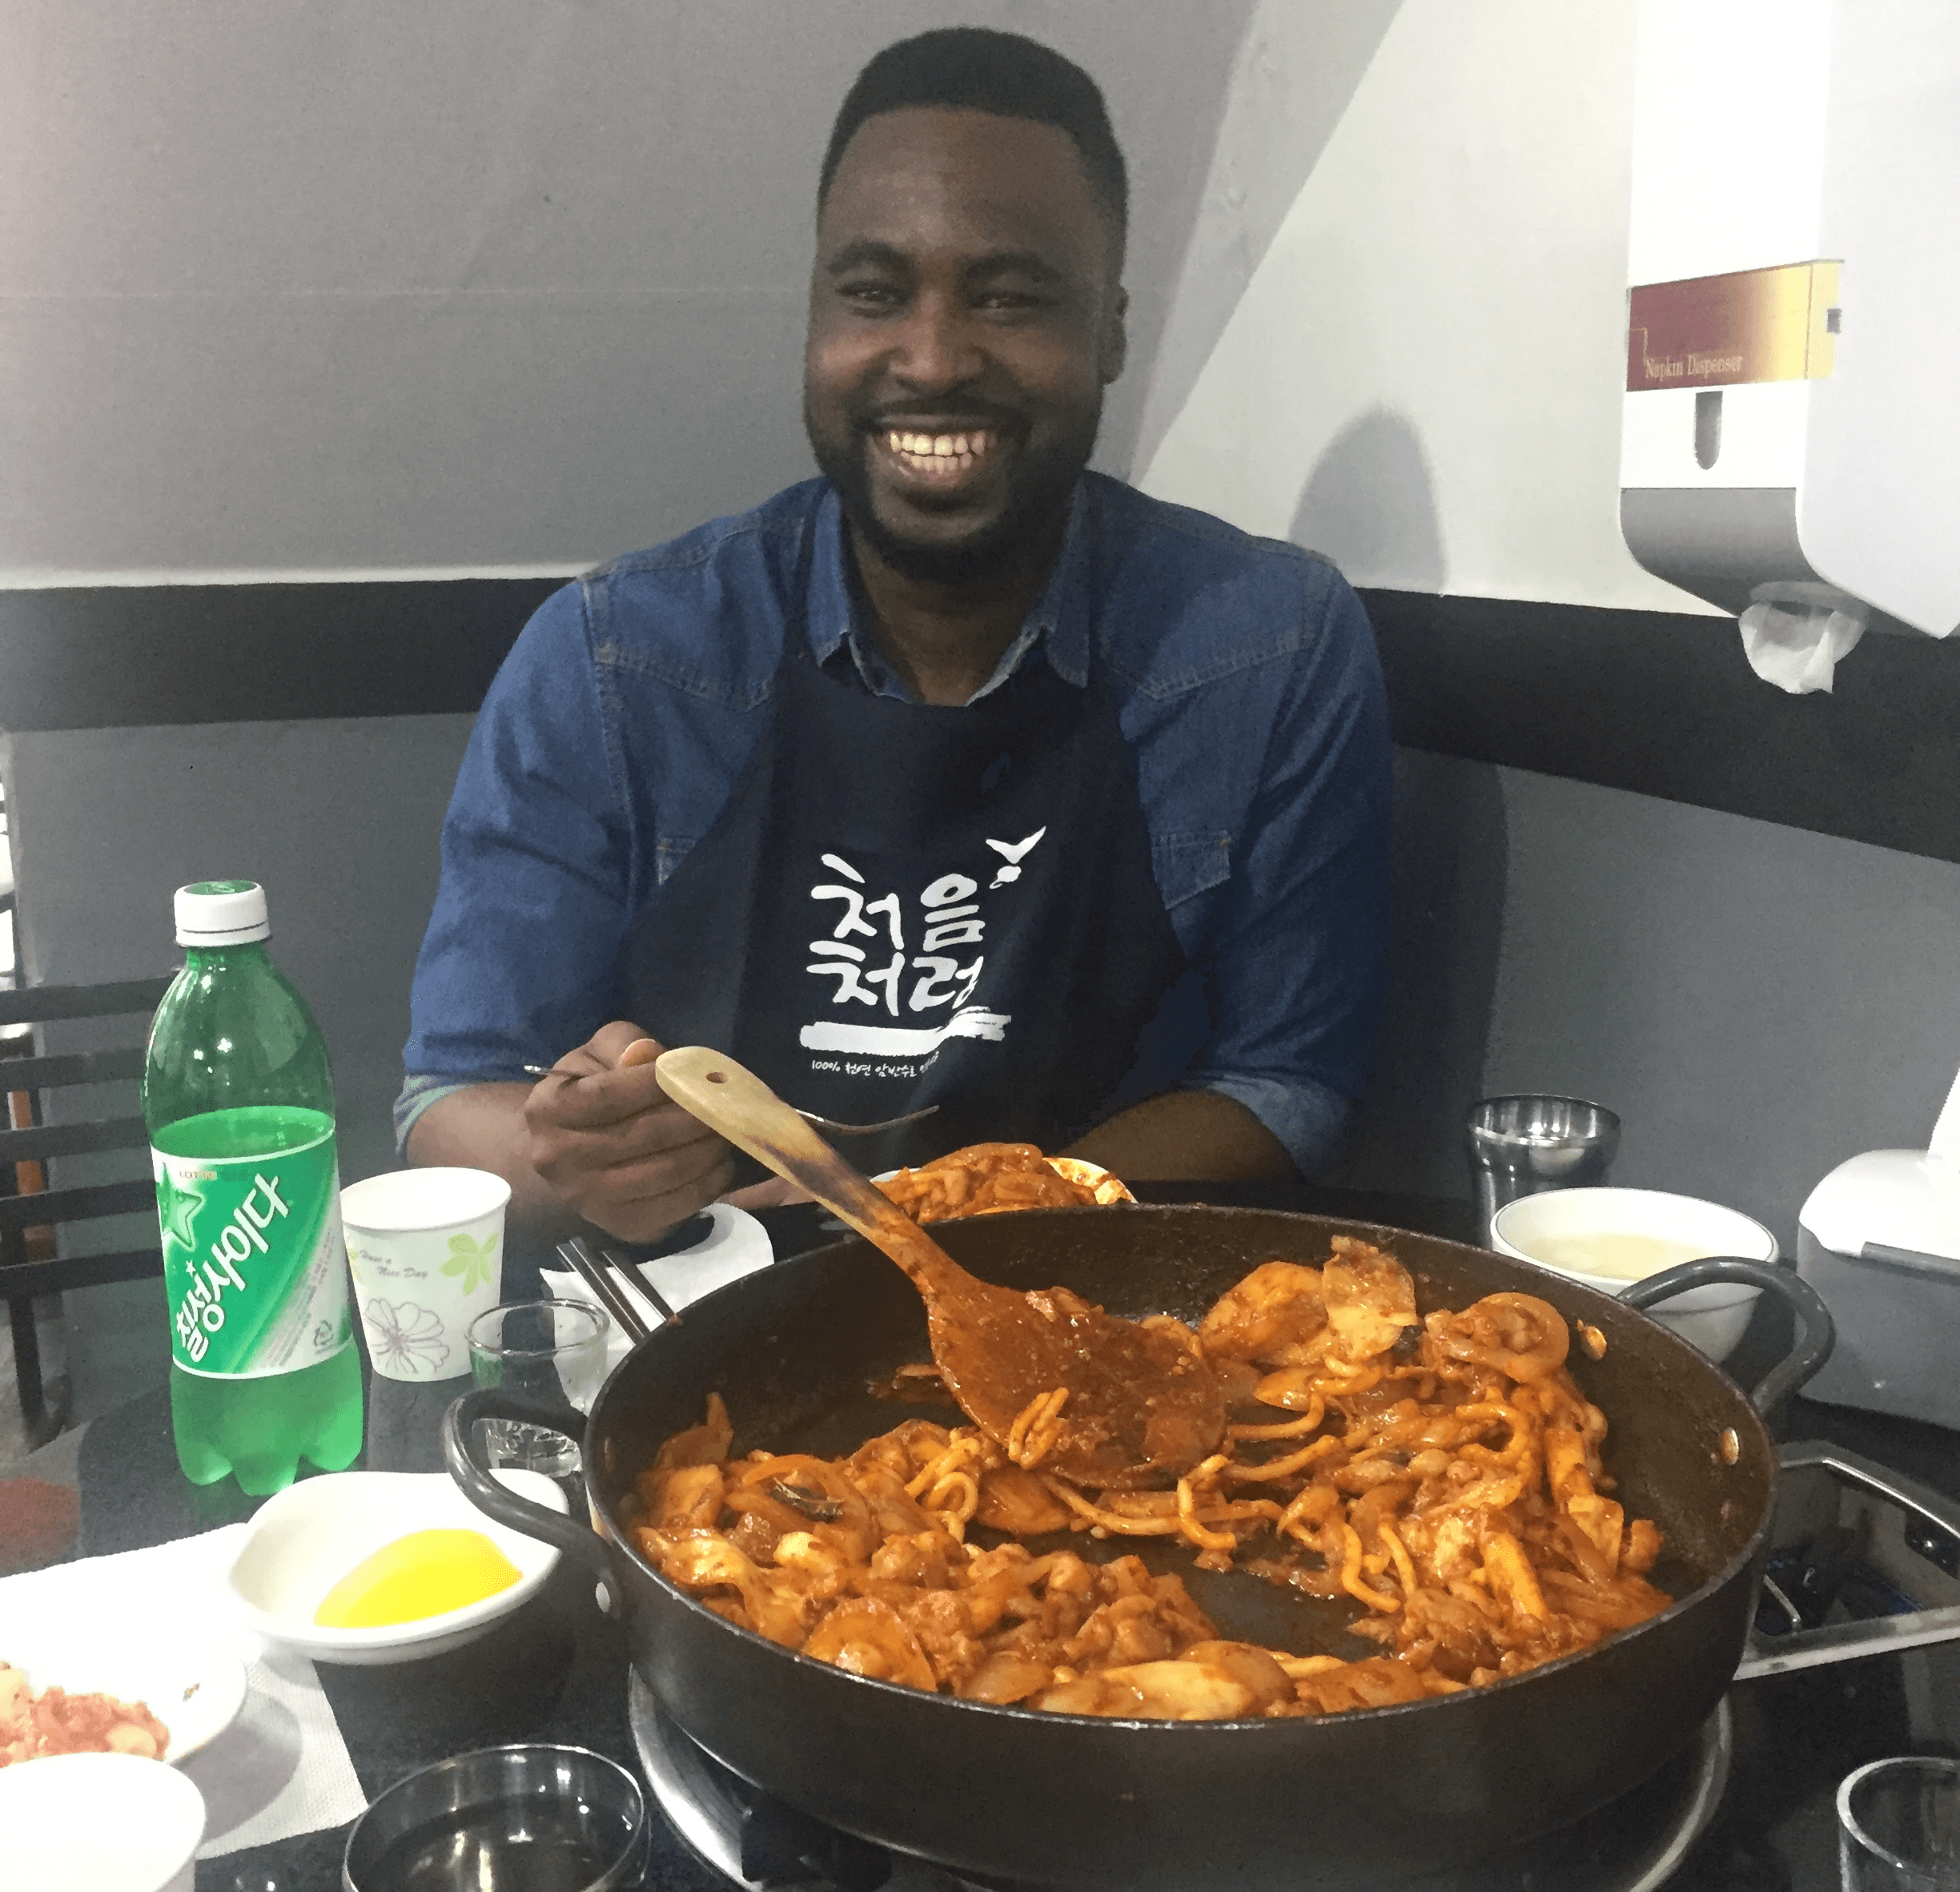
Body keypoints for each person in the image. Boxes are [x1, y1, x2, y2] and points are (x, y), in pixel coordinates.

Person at [399, 26, 1392, 1246]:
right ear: (815, 314)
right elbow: (447, 1102)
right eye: (873, 294)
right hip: (706, 1327)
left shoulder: (1265, 646)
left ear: (1113, 332)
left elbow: (1288, 1088)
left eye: (1010, 298)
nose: (931, 357)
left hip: (1095, 1312)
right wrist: (576, 1149)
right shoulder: (613, 658)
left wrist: (979, 1214)